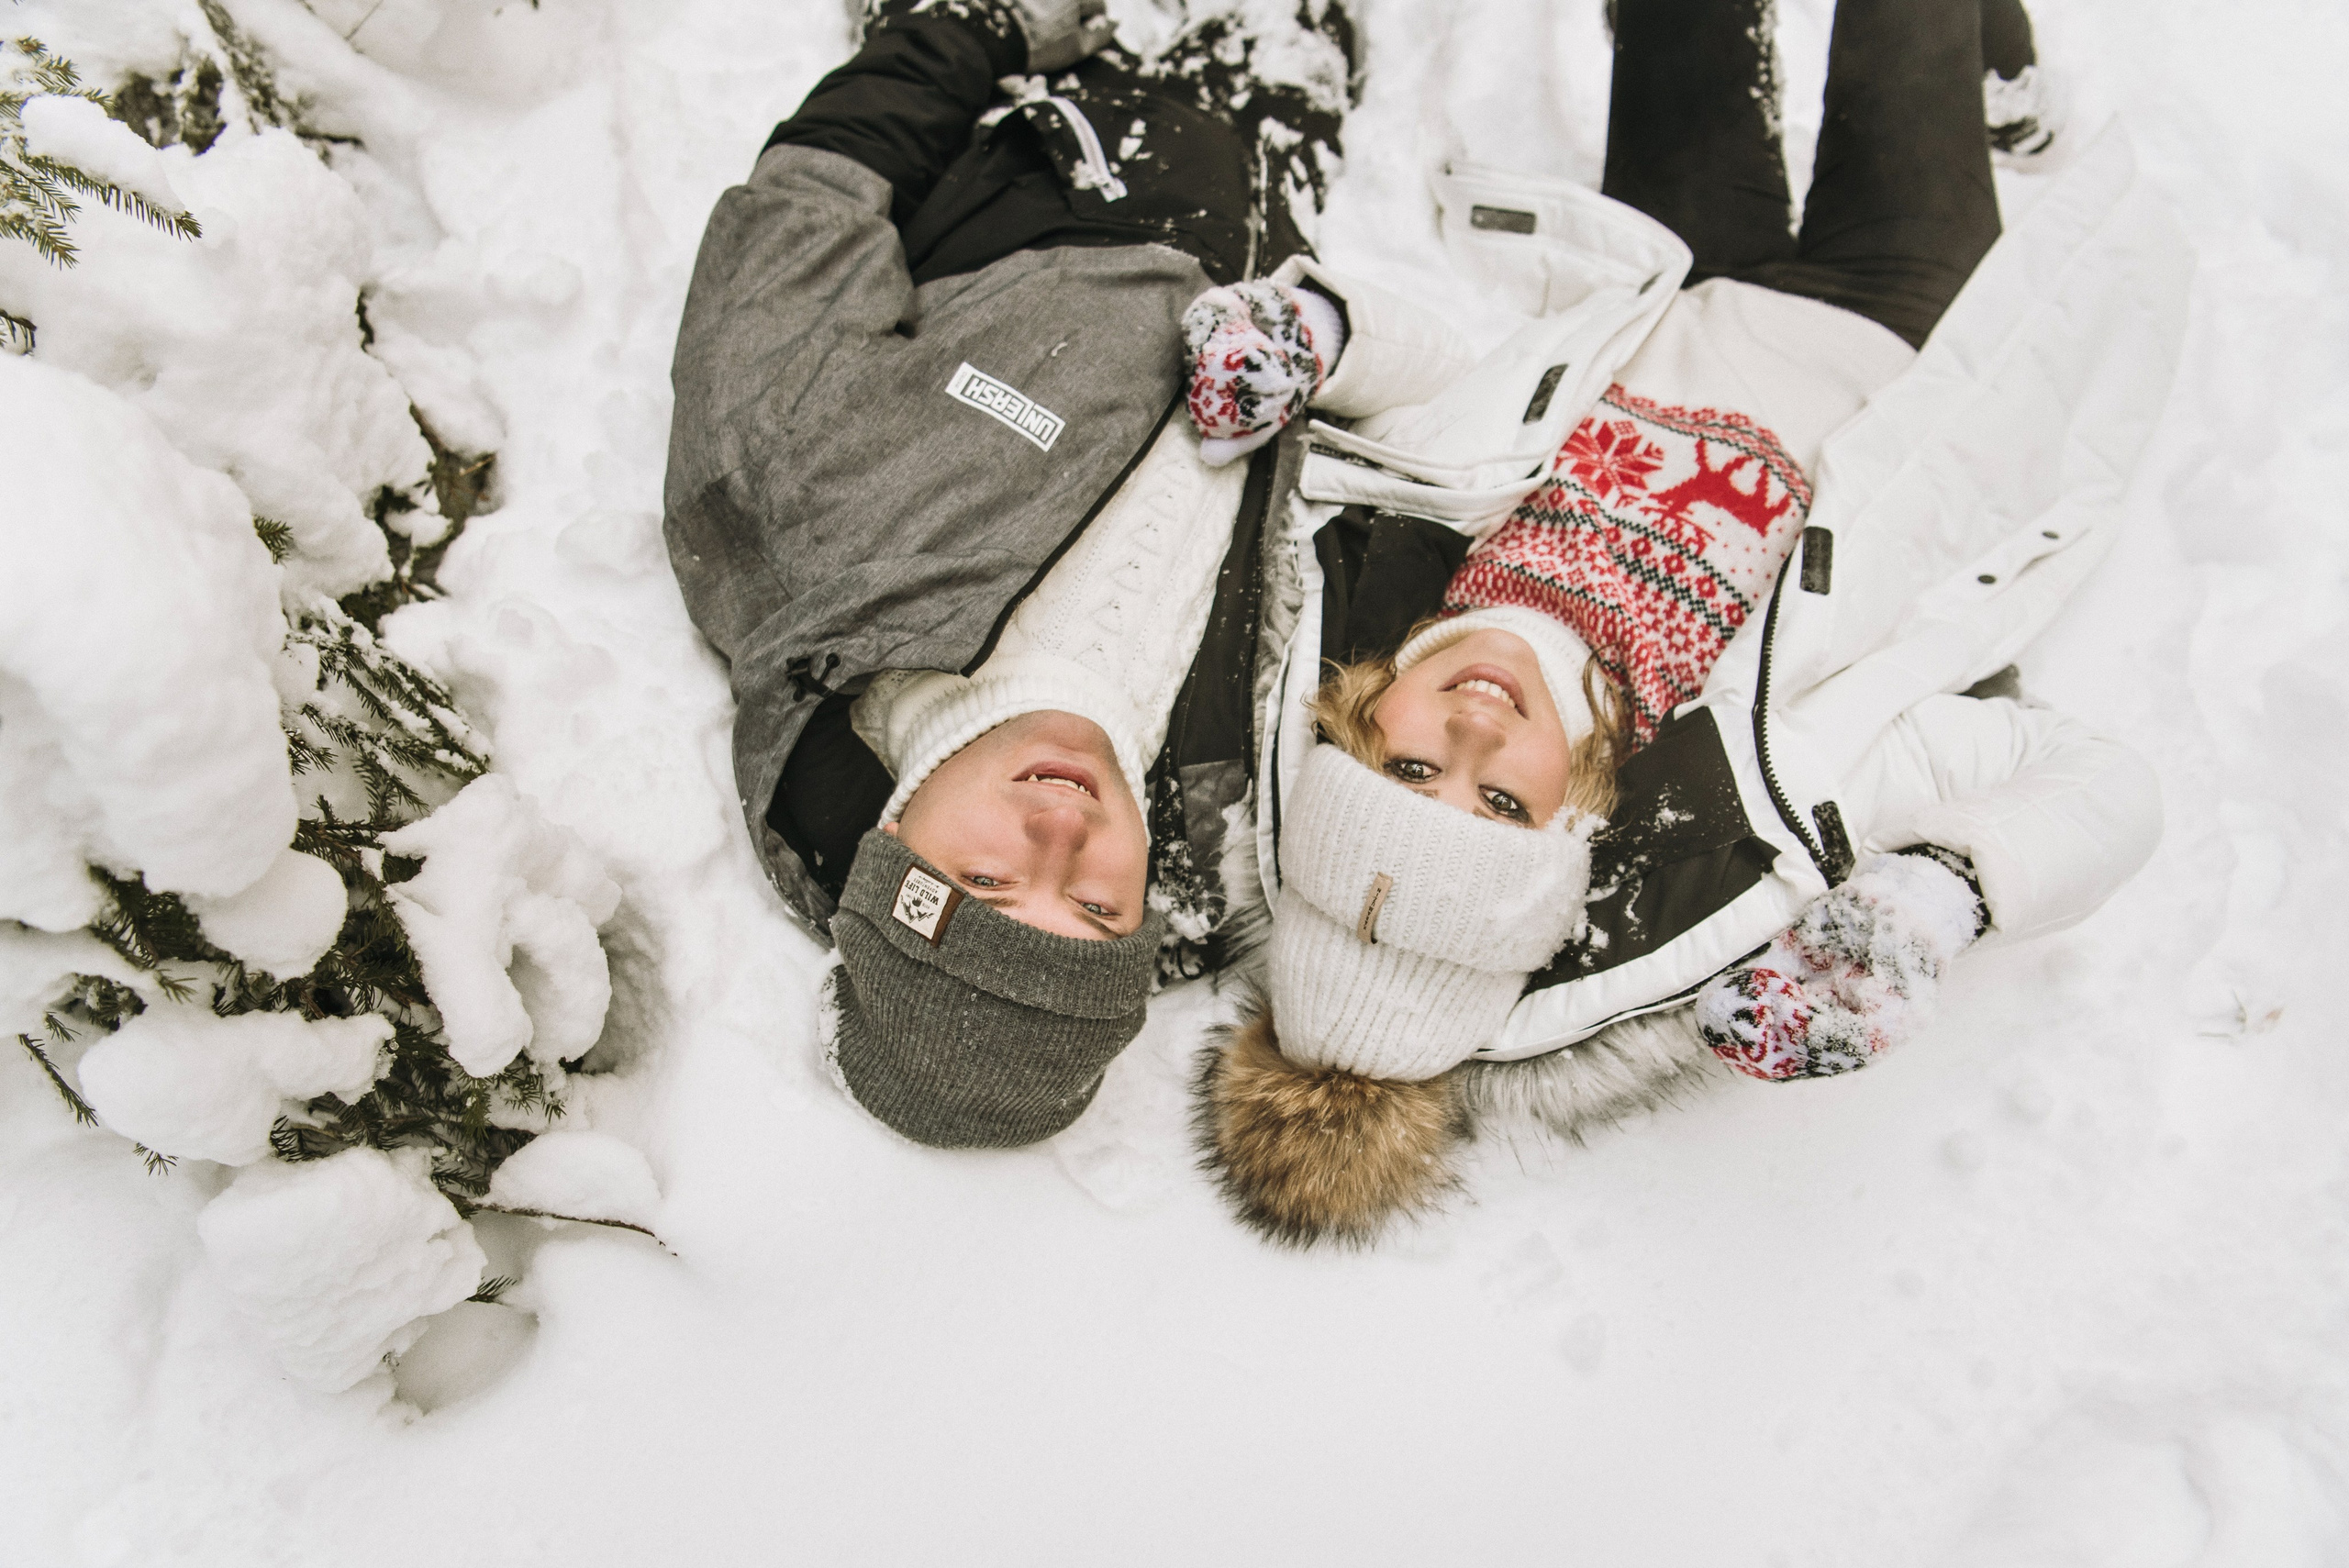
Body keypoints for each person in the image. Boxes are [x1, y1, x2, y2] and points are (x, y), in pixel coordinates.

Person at [1186, 0, 2190, 1245]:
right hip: (1898, 317)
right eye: (1500, 804)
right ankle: (1993, 63)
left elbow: (1446, 381)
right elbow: (2103, 781)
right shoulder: (1764, 757)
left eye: (1407, 769)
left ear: (1355, 723)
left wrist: (1321, 335)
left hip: (1676, 271)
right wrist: (1941, 894)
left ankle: (1988, 57)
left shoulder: (1404, 579)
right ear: (1574, 820)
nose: (1475, 734)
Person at [663, 0, 1476, 1147]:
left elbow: (813, 202)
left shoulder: (791, 530)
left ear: (888, 841)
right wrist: (1328, 334)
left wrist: (969, 29)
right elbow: (1469, 444)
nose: (1059, 838)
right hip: (1279, 165)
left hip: (1088, 114)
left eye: (987, 885)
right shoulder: (1257, 767)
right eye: (1096, 907)